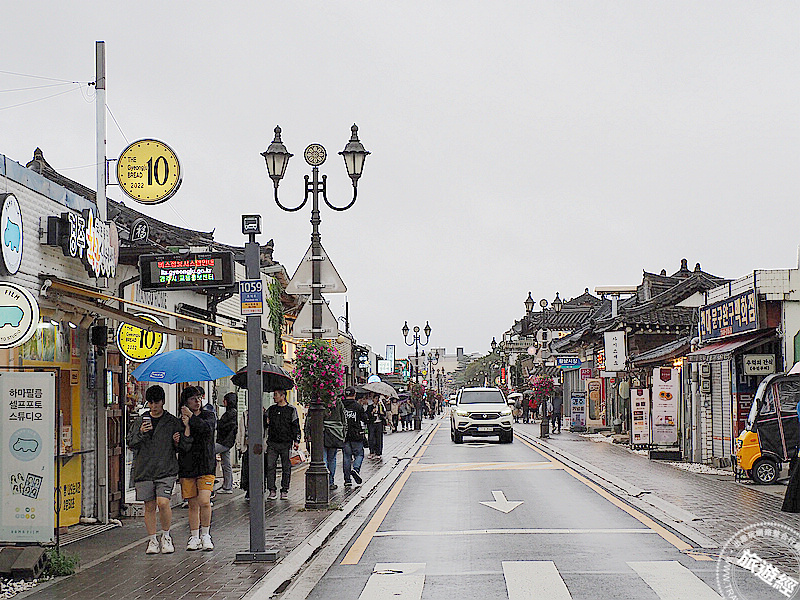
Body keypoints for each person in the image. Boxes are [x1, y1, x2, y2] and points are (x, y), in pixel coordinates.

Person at [126, 385, 185, 555]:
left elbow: (183, 446)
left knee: (163, 502)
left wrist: (178, 441)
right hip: (144, 469)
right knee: (149, 506)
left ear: (163, 402)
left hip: (166, 469)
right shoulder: (141, 420)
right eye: (150, 403)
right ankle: (152, 540)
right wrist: (141, 433)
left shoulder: (171, 421)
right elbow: (130, 443)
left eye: (156, 402)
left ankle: (166, 536)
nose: (153, 406)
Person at [178, 386, 217, 551]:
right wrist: (184, 429)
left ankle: (206, 534)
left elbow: (206, 429)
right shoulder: (180, 420)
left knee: (204, 501)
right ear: (186, 401)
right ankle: (194, 536)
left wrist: (191, 418)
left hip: (206, 465)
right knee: (192, 504)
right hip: (188, 466)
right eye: (193, 398)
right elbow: (182, 444)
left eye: (199, 398)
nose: (197, 401)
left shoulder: (208, 415)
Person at [265, 389, 301, 500]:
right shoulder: (271, 409)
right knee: (270, 466)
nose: (274, 397)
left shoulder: (291, 410)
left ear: (283, 396)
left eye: (275, 395)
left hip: (286, 443)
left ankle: (284, 490)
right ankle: (272, 490)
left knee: (286, 467)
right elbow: (265, 423)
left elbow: (296, 425)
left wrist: (296, 440)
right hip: (272, 442)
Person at [342, 386, 367, 487]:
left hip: (344, 435)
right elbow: (365, 419)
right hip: (356, 434)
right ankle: (356, 469)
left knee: (346, 457)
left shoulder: (341, 406)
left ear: (345, 394)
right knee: (359, 454)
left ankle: (347, 480)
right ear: (354, 395)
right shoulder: (358, 406)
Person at [322, 392, 347, 489]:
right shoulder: (338, 402)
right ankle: (330, 482)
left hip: (322, 432)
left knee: (323, 458)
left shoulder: (320, 400)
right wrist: (343, 434)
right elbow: (344, 419)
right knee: (332, 459)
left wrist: (308, 433)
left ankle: (323, 481)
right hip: (335, 433)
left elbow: (310, 417)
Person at [215, 392, 238, 494]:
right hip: (227, 442)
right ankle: (227, 486)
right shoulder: (232, 413)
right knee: (226, 463)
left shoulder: (230, 414)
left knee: (208, 452)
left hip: (224, 442)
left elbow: (223, 426)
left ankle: (226, 485)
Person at [366, 393, 386, 459]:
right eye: (375, 398)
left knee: (379, 438)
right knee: (371, 438)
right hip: (372, 423)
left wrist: (381, 412)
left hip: (379, 423)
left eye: (378, 399)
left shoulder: (380, 406)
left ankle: (378, 452)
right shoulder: (370, 406)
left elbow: (384, 413)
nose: (376, 400)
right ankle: (372, 451)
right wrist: (372, 412)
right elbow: (367, 415)